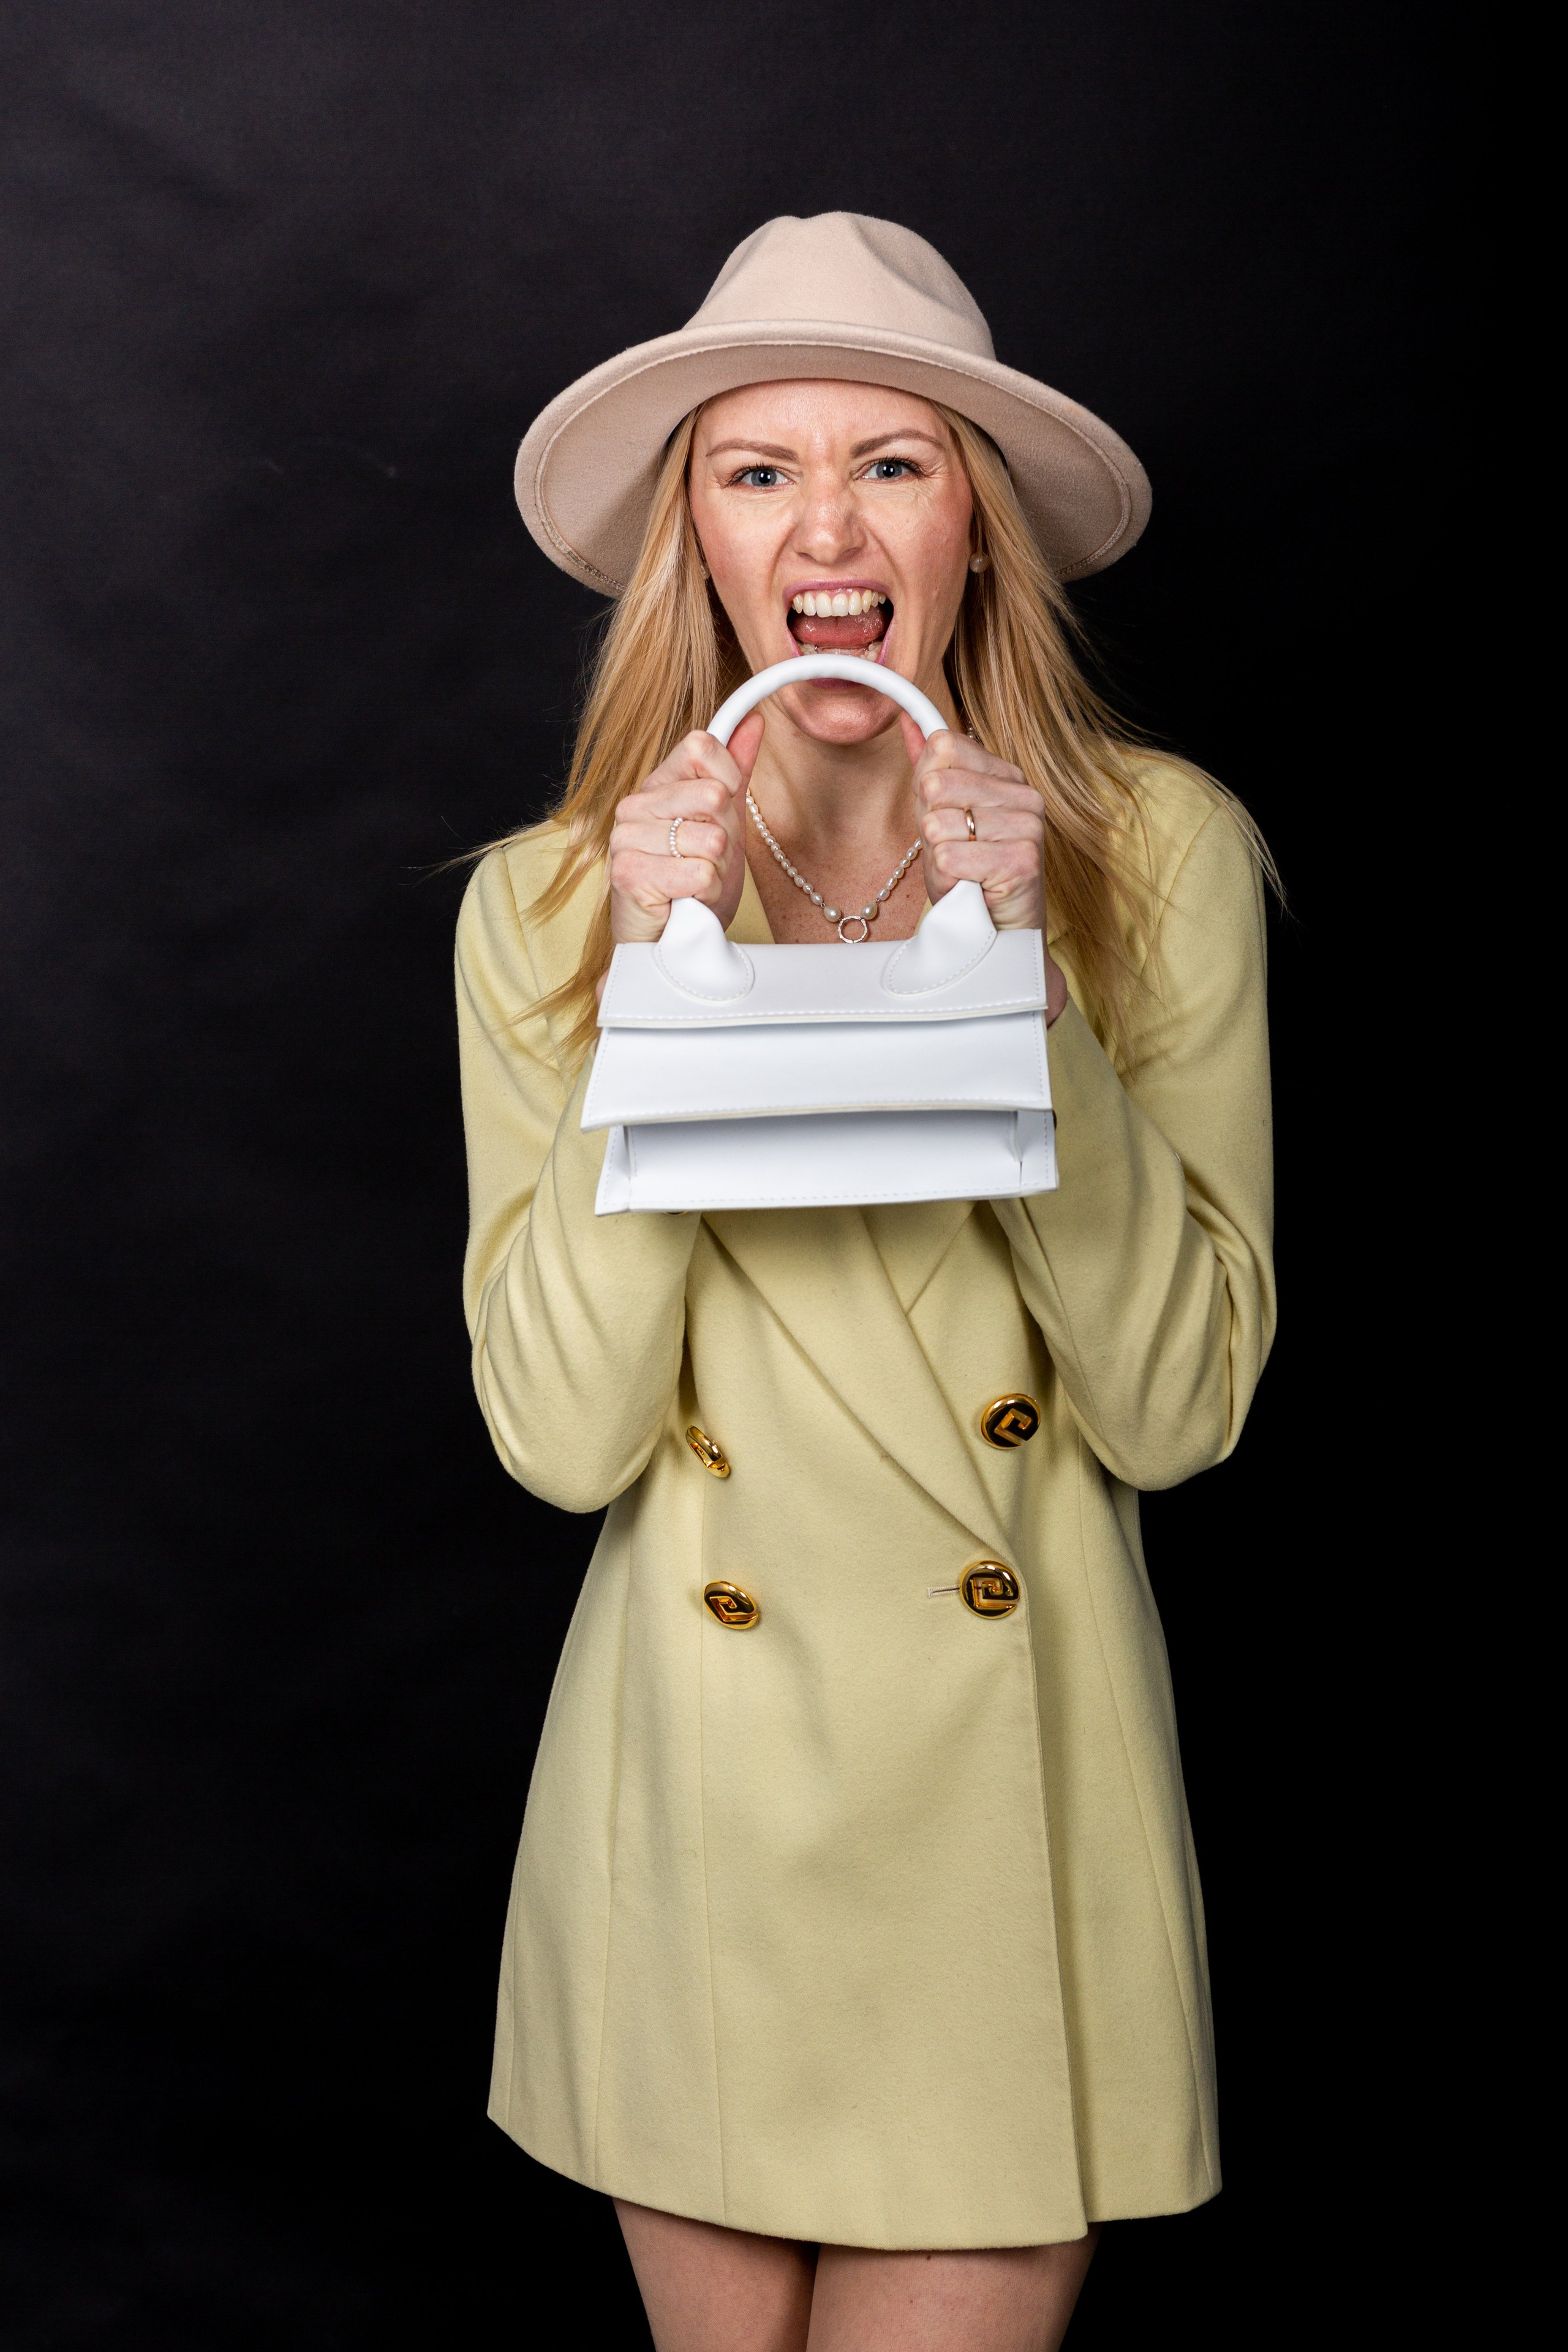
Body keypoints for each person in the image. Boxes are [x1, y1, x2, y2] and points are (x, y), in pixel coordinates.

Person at [456, 213, 1275, 2351]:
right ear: (698, 540)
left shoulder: (1156, 856)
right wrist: (652, 992)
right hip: (696, 1814)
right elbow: (560, 1441)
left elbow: (1180, 1411)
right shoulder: (548, 908)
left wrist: (1036, 1004)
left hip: (1011, 1834)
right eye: (760, 471)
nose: (826, 526)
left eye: (891, 462)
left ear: (973, 525)